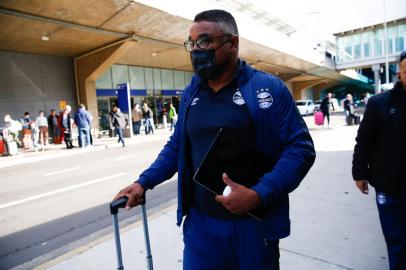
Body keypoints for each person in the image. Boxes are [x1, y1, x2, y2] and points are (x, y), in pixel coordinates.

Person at [113, 9, 315, 269]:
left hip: (253, 227)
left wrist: (260, 193)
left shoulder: (268, 89)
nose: (197, 49)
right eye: (192, 43)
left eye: (205, 41)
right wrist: (144, 182)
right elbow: (178, 146)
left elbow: (300, 149)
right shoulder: (191, 93)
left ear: (233, 43)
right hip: (202, 228)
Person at [352, 50, 406, 270]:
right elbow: (363, 140)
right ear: (400, 73)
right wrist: (359, 173)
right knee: (398, 243)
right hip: (389, 186)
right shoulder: (379, 103)